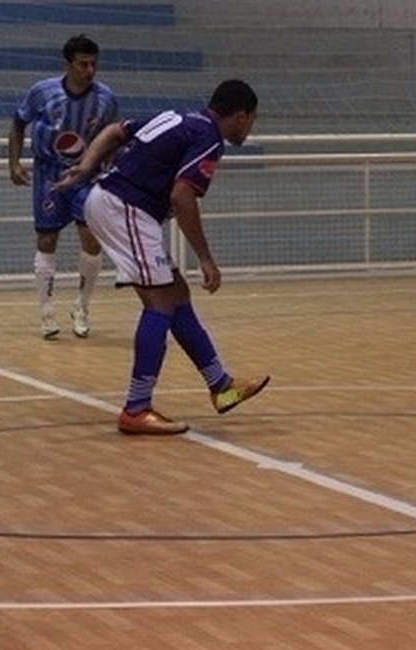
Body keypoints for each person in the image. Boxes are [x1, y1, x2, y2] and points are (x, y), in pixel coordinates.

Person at [54, 79, 269, 435]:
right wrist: (206, 259)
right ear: (241, 115)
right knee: (160, 305)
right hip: (126, 208)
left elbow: (115, 130)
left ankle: (221, 386)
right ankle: (136, 408)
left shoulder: (177, 119)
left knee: (176, 295)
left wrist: (88, 165)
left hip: (114, 202)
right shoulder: (210, 139)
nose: (251, 127)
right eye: (253, 119)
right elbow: (182, 196)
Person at [8, 34, 117, 339]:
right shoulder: (42, 92)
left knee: (91, 239)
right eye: (83, 64)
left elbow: (113, 136)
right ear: (69, 64)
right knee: (46, 241)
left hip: (86, 175)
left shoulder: (106, 98)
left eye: (94, 64)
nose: (90, 70)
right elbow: (18, 123)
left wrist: (110, 167)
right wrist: (14, 163)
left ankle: (82, 307)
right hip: (49, 175)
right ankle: (46, 312)